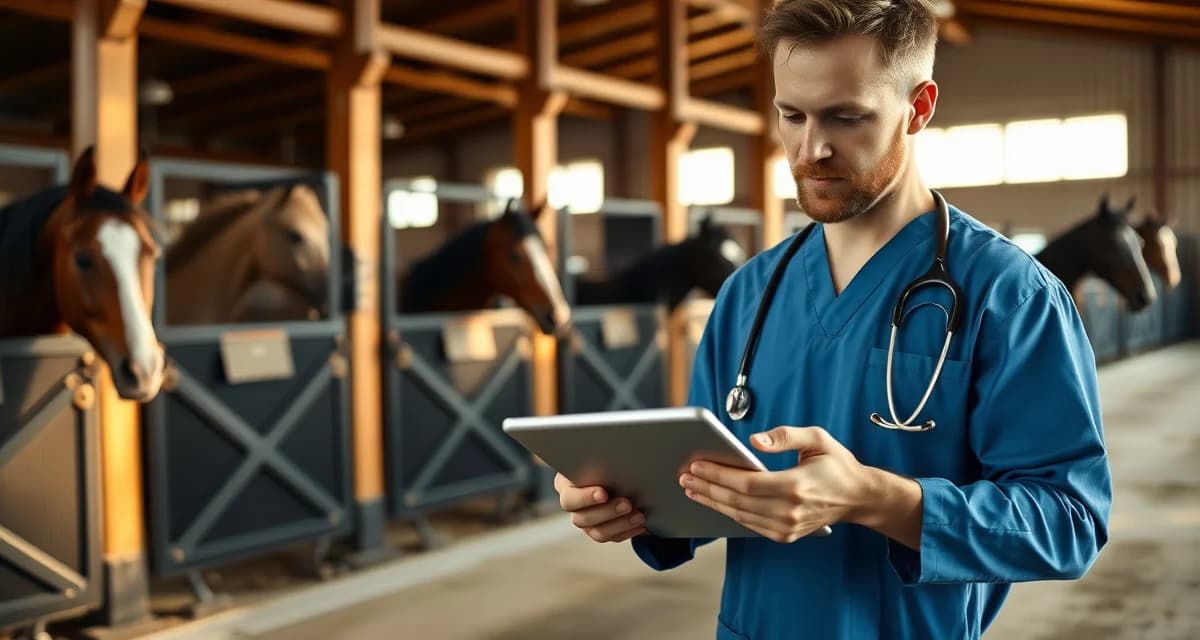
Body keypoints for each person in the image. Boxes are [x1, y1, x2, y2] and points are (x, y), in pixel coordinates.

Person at [552, 0, 1112, 638]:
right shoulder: (748, 294)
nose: (810, 148)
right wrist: (627, 505)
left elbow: (1070, 523)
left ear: (919, 107)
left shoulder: (1008, 294)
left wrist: (876, 498)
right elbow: (699, 481)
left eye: (846, 118)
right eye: (791, 115)